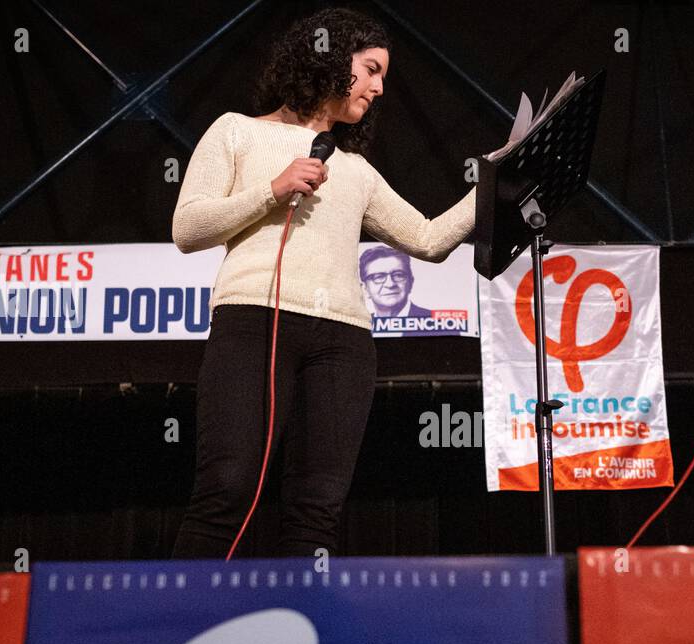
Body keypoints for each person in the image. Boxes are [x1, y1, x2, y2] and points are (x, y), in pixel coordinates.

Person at [170, 6, 475, 559]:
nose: (380, 88)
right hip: (253, 324)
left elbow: (430, 240)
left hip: (343, 342)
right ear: (334, 60)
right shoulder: (235, 131)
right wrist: (271, 189)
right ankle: (178, 631)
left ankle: (304, 638)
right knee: (227, 487)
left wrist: (498, 179)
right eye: (373, 69)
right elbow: (188, 228)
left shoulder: (356, 169)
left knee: (317, 510)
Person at [359, 247, 432, 318]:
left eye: (398, 275)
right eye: (378, 277)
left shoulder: (436, 322)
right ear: (365, 289)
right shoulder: (359, 324)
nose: (390, 284)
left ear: (410, 282)